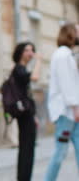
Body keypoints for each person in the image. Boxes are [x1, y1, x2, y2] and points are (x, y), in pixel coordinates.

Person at [45, 23, 79, 181]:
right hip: (67, 113)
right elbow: (68, 85)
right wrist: (76, 108)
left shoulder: (66, 54)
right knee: (60, 153)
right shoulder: (63, 55)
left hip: (70, 112)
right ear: (71, 34)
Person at [11, 42, 41, 181]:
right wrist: (39, 60)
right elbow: (35, 77)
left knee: (27, 148)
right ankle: (23, 178)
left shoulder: (21, 69)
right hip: (24, 114)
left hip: (28, 114)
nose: (30, 53)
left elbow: (27, 94)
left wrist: (34, 116)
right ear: (20, 53)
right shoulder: (19, 69)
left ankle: (24, 177)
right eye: (27, 50)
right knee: (26, 149)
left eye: (32, 50)